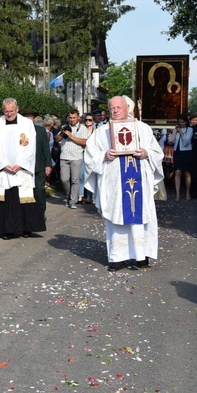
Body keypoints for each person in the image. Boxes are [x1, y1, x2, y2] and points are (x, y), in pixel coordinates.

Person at [84, 96, 164, 271]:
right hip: (114, 183)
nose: (115, 110)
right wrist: (104, 156)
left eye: (119, 107)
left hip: (140, 180)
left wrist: (145, 153)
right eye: (112, 108)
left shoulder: (142, 129)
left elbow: (157, 152)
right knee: (116, 217)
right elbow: (90, 156)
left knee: (139, 216)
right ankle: (116, 258)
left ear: (127, 108)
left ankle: (141, 256)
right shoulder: (101, 131)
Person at [0, 98, 46, 238]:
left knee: (25, 198)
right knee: (7, 200)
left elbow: (31, 146)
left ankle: (27, 228)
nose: (9, 114)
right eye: (6, 111)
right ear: (3, 111)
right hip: (4, 170)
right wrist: (3, 165)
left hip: (22, 169)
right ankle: (7, 230)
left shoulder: (27, 124)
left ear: (17, 109)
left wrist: (21, 164)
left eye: (12, 111)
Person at [54, 109, 89, 209]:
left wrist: (71, 136)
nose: (72, 119)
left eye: (74, 117)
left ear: (78, 117)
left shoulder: (83, 128)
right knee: (64, 179)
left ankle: (73, 201)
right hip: (64, 156)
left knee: (75, 180)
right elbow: (57, 139)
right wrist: (62, 133)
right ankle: (70, 197)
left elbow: (84, 142)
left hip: (76, 157)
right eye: (70, 117)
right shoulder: (65, 126)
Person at [21, 107, 53, 212]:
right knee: (26, 190)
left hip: (39, 165)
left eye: (31, 116)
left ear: (34, 118)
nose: (29, 118)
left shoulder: (40, 131)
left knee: (39, 190)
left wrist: (48, 165)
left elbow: (46, 148)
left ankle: (41, 211)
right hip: (24, 166)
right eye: (27, 116)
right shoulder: (20, 131)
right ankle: (28, 213)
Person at [168, 114, 193, 201]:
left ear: (186, 122)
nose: (181, 123)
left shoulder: (190, 129)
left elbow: (186, 141)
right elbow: (171, 140)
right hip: (177, 152)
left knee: (187, 173)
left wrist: (181, 132)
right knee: (177, 172)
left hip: (186, 152)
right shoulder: (176, 129)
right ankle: (177, 193)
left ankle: (187, 192)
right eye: (180, 122)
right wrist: (174, 132)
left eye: (183, 122)